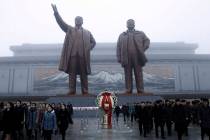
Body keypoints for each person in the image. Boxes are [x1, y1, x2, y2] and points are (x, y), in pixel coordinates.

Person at [51, 4, 96, 95]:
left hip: (83, 56)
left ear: (82, 22)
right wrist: (56, 13)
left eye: (79, 20)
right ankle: (72, 90)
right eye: (76, 20)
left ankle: (85, 91)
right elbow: (61, 23)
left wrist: (88, 49)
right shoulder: (70, 30)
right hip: (72, 56)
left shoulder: (87, 32)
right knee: (72, 74)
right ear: (74, 21)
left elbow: (93, 42)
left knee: (84, 74)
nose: (78, 21)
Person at [117, 19, 150, 94]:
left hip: (137, 57)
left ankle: (140, 90)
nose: (130, 24)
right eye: (129, 23)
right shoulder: (122, 35)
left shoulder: (140, 33)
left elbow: (147, 41)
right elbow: (118, 47)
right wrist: (119, 57)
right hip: (126, 57)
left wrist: (142, 49)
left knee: (138, 74)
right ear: (126, 25)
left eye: (131, 23)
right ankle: (128, 90)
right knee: (127, 74)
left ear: (134, 24)